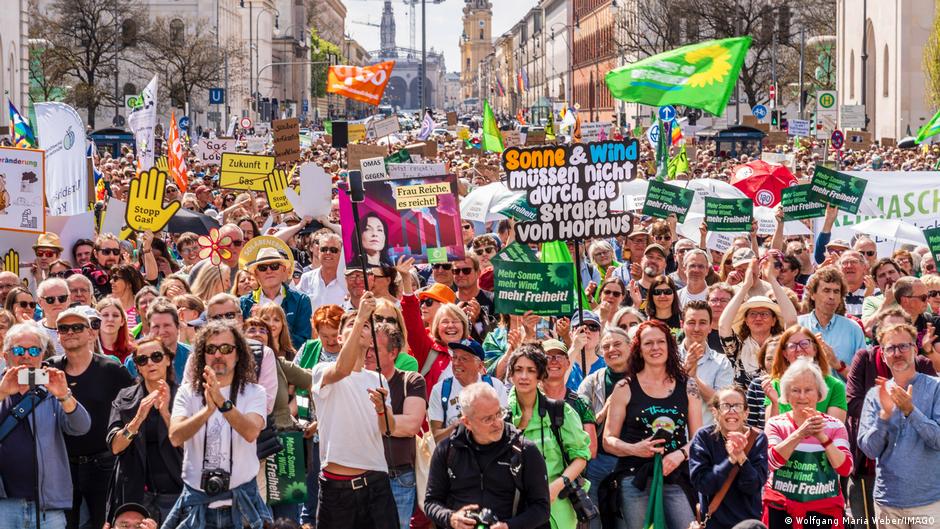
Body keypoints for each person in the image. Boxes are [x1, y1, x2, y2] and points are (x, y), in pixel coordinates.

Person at [165, 321, 271, 529]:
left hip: (242, 505)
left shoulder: (254, 391)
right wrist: (207, 411)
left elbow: (251, 432)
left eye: (226, 348)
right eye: (210, 349)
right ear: (202, 355)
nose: (218, 355)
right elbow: (175, 436)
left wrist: (222, 403)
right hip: (197, 505)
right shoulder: (187, 392)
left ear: (238, 354)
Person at [308, 292, 400, 529]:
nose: (360, 325)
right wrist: (361, 316)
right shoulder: (322, 369)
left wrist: (382, 410)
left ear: (371, 341)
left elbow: (387, 429)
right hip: (337, 491)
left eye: (367, 325)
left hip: (376, 485)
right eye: (352, 324)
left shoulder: (378, 378)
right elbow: (342, 369)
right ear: (340, 338)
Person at [603, 320, 703, 529]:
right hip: (634, 476)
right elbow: (608, 440)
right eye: (648, 343)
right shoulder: (624, 387)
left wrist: (680, 455)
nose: (655, 348)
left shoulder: (688, 386)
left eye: (661, 342)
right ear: (638, 349)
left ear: (669, 346)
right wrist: (634, 449)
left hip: (676, 474)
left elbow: (698, 439)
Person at [45, 307, 134, 529]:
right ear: (57, 335)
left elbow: (133, 404)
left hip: (103, 464)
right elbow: (18, 384)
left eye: (77, 327)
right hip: (62, 465)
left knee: (103, 524)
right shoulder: (50, 369)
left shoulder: (111, 368)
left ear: (91, 333)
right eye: (64, 328)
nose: (70, 332)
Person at [0, 322, 91, 529]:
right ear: (6, 356)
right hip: (3, 504)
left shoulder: (52, 388)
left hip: (46, 505)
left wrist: (64, 395)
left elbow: (81, 427)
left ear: (42, 355)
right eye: (18, 350)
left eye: (33, 350)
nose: (26, 356)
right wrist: (2, 393)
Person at [424, 382, 551, 529]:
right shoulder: (447, 450)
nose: (497, 423)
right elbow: (431, 502)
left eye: (499, 414)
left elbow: (542, 508)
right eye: (488, 419)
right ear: (467, 422)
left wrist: (509, 526)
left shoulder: (524, 450)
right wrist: (451, 518)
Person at [858, 323, 940, 529]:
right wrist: (884, 417)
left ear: (915, 349)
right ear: (883, 355)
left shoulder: (936, 388)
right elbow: (869, 450)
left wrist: (910, 411)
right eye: (890, 348)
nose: (897, 353)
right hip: (888, 502)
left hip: (930, 503)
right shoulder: (875, 395)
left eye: (903, 346)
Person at [507, 345, 592, 529]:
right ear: (511, 375)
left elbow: (581, 457)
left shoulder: (560, 411)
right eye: (518, 370)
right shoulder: (501, 416)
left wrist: (557, 486)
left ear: (540, 375)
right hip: (515, 508)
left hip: (557, 506)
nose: (524, 376)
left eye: (531, 370)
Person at [762, 358, 852, 529]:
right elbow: (770, 463)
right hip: (781, 510)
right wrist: (799, 433)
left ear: (819, 394)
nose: (802, 396)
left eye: (808, 390)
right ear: (786, 395)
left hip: (824, 512)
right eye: (795, 390)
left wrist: (823, 438)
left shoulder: (835, 426)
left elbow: (845, 468)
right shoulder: (776, 424)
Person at [106, 338, 182, 523]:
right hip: (135, 495)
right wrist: (138, 419)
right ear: (138, 367)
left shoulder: (184, 396)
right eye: (142, 360)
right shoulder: (125, 397)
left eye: (156, 357)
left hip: (176, 491)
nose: (150, 363)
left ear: (168, 360)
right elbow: (115, 447)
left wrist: (165, 413)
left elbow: (191, 444)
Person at [365, 323, 428, 529]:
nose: (368, 353)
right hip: (360, 475)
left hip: (398, 477)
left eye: (375, 348)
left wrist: (370, 422)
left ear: (393, 353)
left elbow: (410, 425)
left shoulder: (411, 380)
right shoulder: (353, 380)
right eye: (366, 346)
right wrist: (389, 423)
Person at [688, 387, 768, 529]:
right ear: (715, 412)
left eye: (737, 406)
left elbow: (753, 486)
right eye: (725, 406)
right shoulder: (704, 438)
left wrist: (741, 457)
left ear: (746, 413)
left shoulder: (757, 438)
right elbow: (703, 485)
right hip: (714, 523)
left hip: (747, 524)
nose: (732, 411)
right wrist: (730, 461)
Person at [578, 328, 631, 529]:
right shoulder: (591, 382)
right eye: (606, 346)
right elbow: (580, 428)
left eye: (617, 344)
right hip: (598, 461)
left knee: (626, 520)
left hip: (631, 462)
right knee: (593, 521)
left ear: (630, 346)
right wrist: (605, 410)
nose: (611, 350)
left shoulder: (645, 379)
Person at [719, 260, 797, 389]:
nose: (758, 318)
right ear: (746, 321)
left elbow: (792, 321)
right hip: (745, 407)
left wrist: (772, 279)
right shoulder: (737, 348)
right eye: (753, 314)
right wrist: (745, 286)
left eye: (765, 314)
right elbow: (723, 325)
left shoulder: (782, 345)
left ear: (774, 321)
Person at [428, 338, 507, 442]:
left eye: (464, 359)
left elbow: (504, 426)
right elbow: (435, 438)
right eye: (454, 357)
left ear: (480, 365)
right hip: (456, 453)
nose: (456, 363)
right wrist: (455, 427)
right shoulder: (440, 389)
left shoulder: (495, 386)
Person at [762, 326, 847, 422]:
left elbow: (835, 430)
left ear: (815, 349)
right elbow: (771, 431)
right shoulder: (775, 386)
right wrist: (775, 403)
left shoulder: (835, 386)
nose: (799, 349)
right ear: (785, 354)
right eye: (792, 346)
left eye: (804, 344)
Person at [797, 266, 866, 377]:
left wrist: (837, 364)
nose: (832, 296)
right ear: (813, 295)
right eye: (826, 290)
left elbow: (863, 377)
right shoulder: (797, 326)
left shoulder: (853, 329)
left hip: (843, 394)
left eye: (836, 292)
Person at [239, 247, 313, 350]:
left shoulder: (301, 300)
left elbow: (304, 341)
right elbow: (239, 339)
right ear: (256, 274)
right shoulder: (243, 303)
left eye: (274, 266)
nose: (269, 271)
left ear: (283, 270)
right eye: (262, 267)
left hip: (289, 361)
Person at [679, 301, 734, 426]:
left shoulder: (722, 362)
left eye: (702, 323)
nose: (697, 328)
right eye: (691, 323)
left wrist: (693, 378)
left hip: (707, 438)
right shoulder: (668, 357)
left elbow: (723, 405)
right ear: (682, 324)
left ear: (710, 327)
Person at [125, 299, 192, 383]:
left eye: (167, 325)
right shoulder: (136, 361)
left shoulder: (192, 357)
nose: (161, 331)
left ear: (177, 326)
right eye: (156, 326)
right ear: (149, 329)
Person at [297, 232, 348, 309]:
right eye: (324, 249)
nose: (328, 253)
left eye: (333, 250)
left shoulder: (348, 281)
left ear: (341, 254)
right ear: (319, 252)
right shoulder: (306, 278)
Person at [37, 278, 71, 355]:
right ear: (40, 302)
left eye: (62, 298)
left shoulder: (80, 328)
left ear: (69, 300)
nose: (57, 303)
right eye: (50, 299)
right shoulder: (34, 330)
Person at [97, 297, 136, 364]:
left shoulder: (133, 352)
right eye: (105, 315)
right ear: (97, 319)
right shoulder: (90, 350)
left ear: (122, 321)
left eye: (115, 315)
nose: (110, 319)